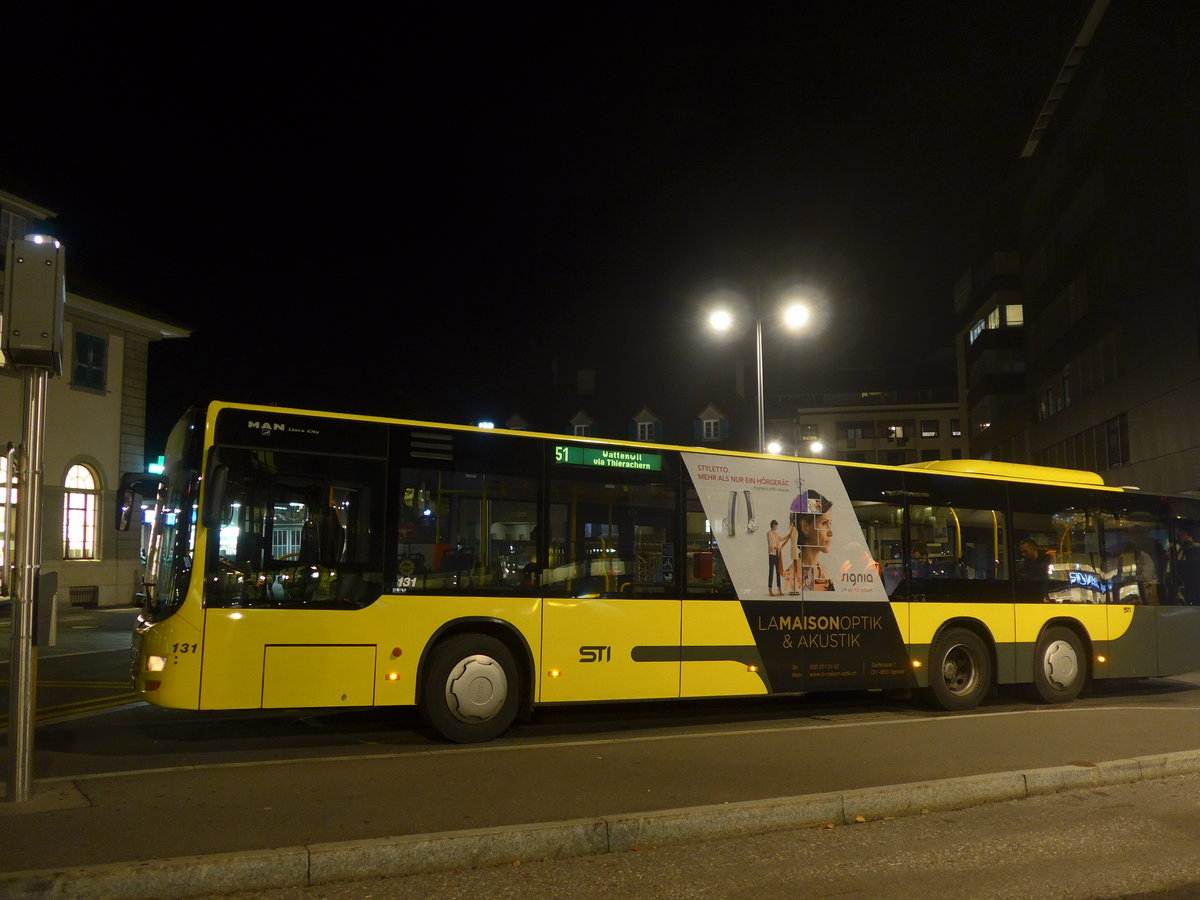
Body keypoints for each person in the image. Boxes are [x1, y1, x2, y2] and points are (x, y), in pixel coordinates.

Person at [792, 489, 834, 591]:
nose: (831, 532)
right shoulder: (791, 574)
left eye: (830, 523)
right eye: (824, 523)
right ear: (805, 527)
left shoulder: (825, 572)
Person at [1176, 527, 1200, 605]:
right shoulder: (1176, 550)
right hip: (1185, 587)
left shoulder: (1196, 548)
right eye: (1183, 535)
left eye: (1187, 535)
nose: (1186, 537)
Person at [766, 520, 787, 596]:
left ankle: (779, 588)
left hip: (777, 555)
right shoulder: (769, 533)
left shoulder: (776, 534)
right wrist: (777, 548)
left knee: (778, 571)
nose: (777, 527)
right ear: (773, 525)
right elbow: (771, 545)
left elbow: (781, 539)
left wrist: (788, 536)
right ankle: (770, 589)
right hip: (772, 555)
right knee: (771, 572)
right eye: (776, 525)